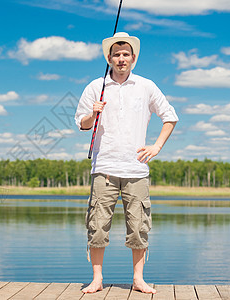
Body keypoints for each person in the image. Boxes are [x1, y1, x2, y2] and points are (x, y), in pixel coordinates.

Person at [74, 32, 178, 294]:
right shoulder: (95, 87)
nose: (121, 59)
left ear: (133, 58)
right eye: (116, 54)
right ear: (108, 58)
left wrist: (156, 146)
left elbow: (170, 117)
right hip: (104, 168)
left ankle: (138, 279)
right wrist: (92, 113)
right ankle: (97, 280)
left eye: (125, 54)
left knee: (139, 227)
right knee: (97, 226)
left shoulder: (146, 86)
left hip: (136, 170)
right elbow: (82, 125)